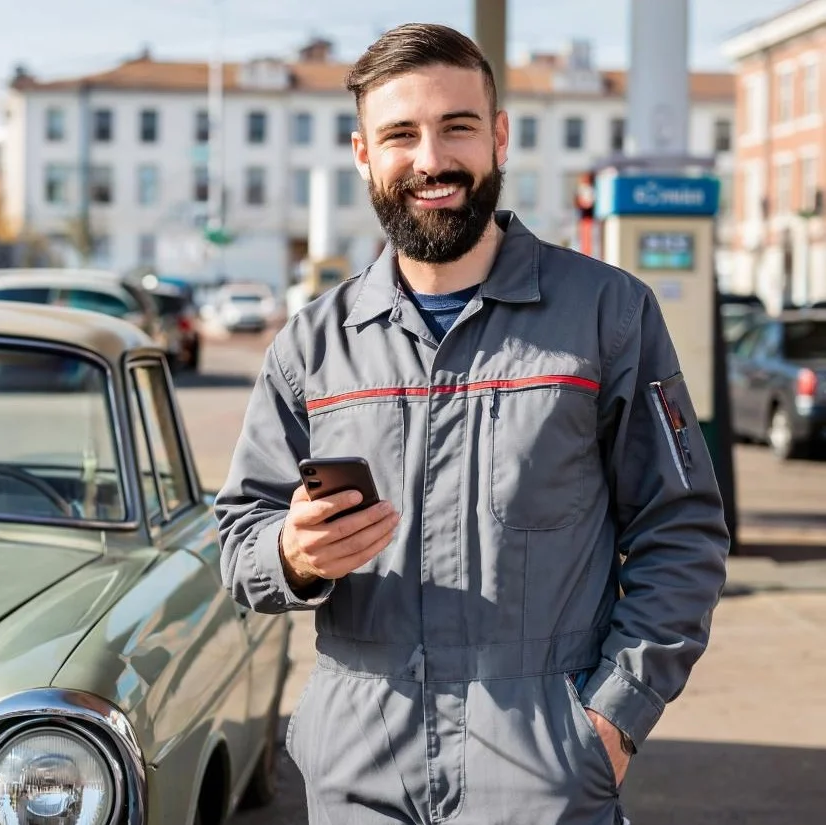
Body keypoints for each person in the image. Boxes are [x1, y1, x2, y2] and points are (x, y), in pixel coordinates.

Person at [215, 22, 729, 825]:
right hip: (356, 763)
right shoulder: (311, 347)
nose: (431, 160)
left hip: (541, 765)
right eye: (400, 135)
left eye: (456, 127)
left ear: (497, 138)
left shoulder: (607, 315)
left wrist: (610, 721)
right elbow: (237, 536)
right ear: (363, 154)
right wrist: (291, 552)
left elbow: (683, 529)